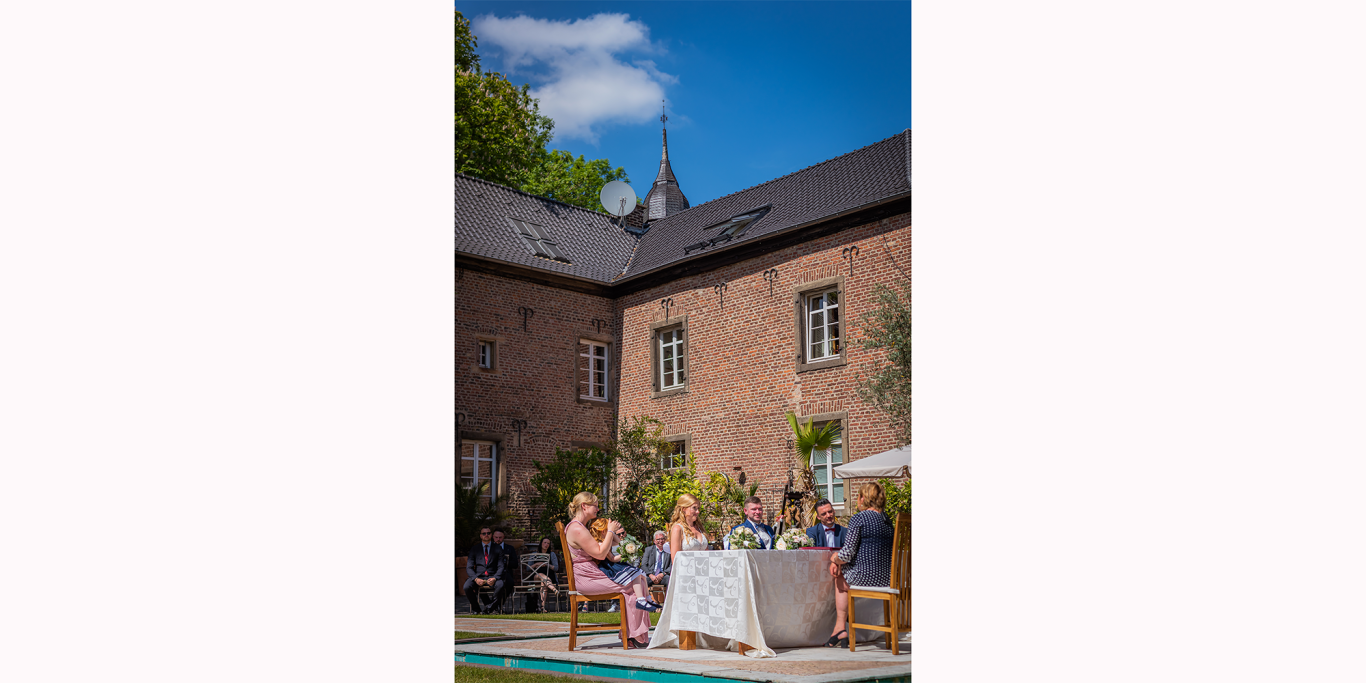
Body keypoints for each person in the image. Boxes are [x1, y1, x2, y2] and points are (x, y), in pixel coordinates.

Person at [564, 492, 657, 648]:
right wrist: (610, 531)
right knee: (636, 583)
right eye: (595, 505)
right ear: (584, 506)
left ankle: (634, 636)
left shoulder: (580, 527)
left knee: (636, 581)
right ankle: (634, 636)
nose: (598, 509)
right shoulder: (577, 529)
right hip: (588, 578)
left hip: (593, 573)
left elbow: (608, 547)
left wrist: (612, 534)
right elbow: (600, 553)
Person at [826, 482, 895, 647]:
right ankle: (839, 629)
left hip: (865, 578)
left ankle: (840, 628)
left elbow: (847, 554)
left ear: (863, 498)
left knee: (840, 576)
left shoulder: (860, 517)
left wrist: (834, 559)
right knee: (842, 569)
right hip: (888, 579)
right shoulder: (888, 521)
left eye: (858, 496)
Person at [463, 527, 504, 615]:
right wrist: (475, 579)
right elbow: (469, 567)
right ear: (480, 536)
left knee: (500, 585)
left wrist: (495, 578)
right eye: (484, 533)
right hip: (479, 576)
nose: (486, 535)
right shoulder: (475, 549)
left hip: (492, 576)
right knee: (466, 586)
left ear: (491, 535)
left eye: (488, 533)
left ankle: (490, 608)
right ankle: (476, 609)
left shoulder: (498, 548)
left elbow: (501, 566)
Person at [668, 493, 711, 567]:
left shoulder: (699, 528)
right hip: (686, 573)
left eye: (698, 508)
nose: (698, 511)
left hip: (704, 572)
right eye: (694, 508)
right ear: (684, 509)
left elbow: (707, 553)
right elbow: (675, 559)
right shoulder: (678, 529)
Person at [527, 536, 561, 613]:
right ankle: (554, 589)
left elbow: (556, 568)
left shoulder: (551, 554)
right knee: (541, 575)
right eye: (545, 542)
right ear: (541, 543)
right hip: (536, 577)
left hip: (549, 576)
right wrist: (537, 564)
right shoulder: (534, 554)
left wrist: (547, 564)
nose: (546, 544)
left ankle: (542, 607)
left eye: (548, 543)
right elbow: (528, 568)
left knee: (544, 583)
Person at [489, 529, 519, 612]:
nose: (498, 539)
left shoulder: (510, 548)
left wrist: (505, 562)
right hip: (492, 573)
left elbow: (515, 564)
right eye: (496, 537)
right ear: (493, 537)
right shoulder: (489, 548)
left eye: (500, 537)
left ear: (503, 537)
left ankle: (497, 605)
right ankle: (492, 605)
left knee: (509, 583)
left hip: (506, 573)